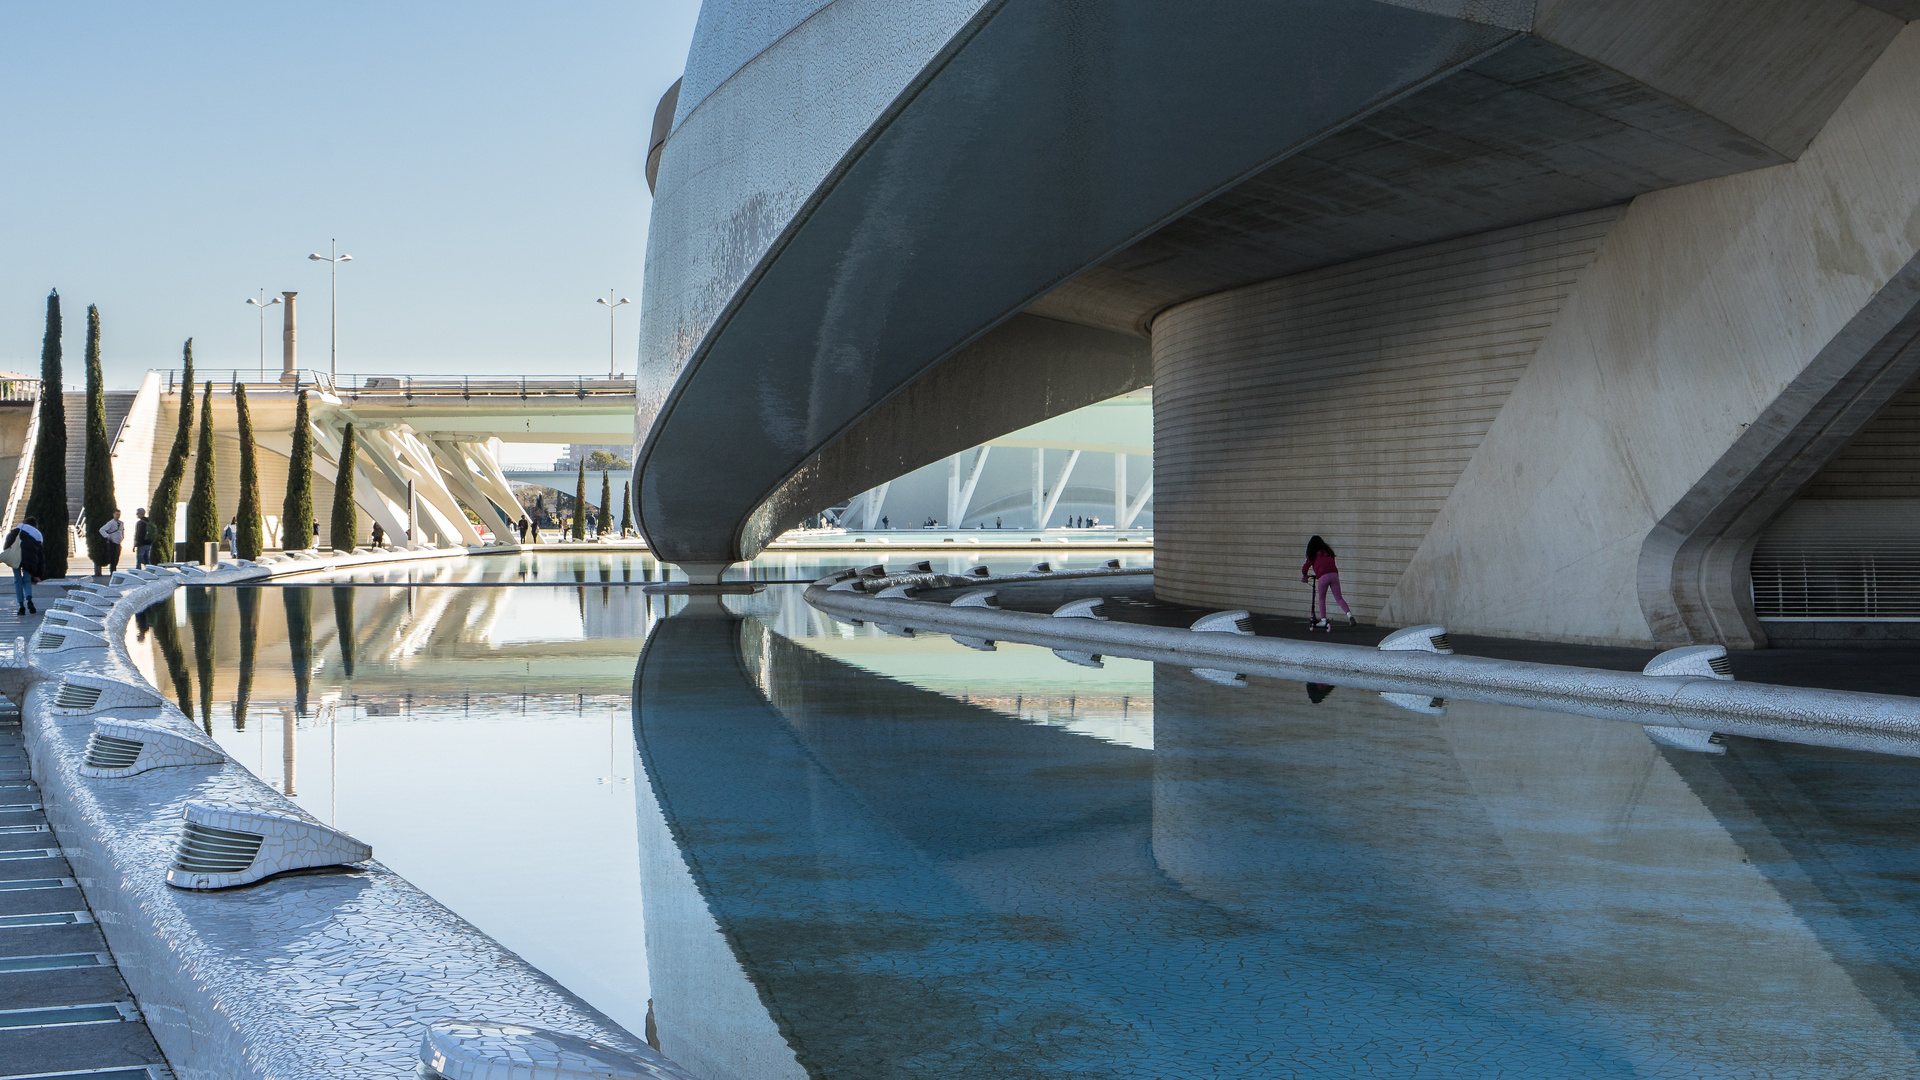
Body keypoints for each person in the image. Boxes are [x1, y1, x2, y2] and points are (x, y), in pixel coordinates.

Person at [1301, 534, 1353, 631]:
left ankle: (1323, 620)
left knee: (1321, 598)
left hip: (1323, 577)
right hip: (1334, 574)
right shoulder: (1329, 552)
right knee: (1339, 598)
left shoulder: (1313, 554)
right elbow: (1328, 564)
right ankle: (1349, 615)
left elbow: (1305, 568)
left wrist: (1305, 576)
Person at [7, 516, 43, 616]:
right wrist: (38, 574)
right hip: (29, 559)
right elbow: (40, 556)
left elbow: (7, 544)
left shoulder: (17, 529)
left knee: (18, 581)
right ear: (35, 525)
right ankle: (29, 600)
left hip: (16, 558)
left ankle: (21, 606)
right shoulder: (37, 534)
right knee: (27, 580)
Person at [96, 509, 124, 575]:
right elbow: (102, 530)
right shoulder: (111, 523)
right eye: (116, 514)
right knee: (113, 559)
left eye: (119, 514)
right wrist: (108, 537)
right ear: (113, 515)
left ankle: (114, 572)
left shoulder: (121, 523)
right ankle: (112, 573)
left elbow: (121, 531)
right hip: (113, 543)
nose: (118, 516)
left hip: (118, 543)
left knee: (117, 558)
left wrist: (122, 537)